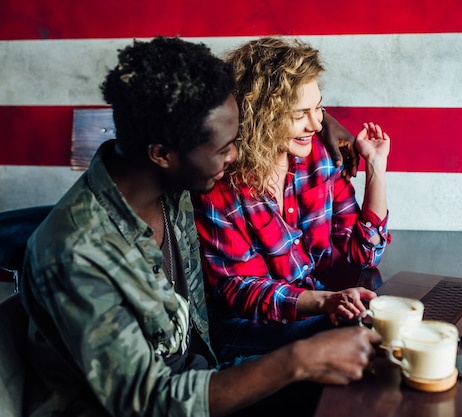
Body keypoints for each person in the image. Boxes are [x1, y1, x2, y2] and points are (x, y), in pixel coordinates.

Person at [19, 36, 381, 417]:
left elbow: (261, 99)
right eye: (223, 148)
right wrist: (299, 360)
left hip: (203, 373)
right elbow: (152, 403)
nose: (236, 153)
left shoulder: (168, 183)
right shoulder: (76, 255)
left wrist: (320, 123)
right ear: (162, 153)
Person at [192, 37, 392, 362]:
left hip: (315, 307)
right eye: (301, 113)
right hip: (245, 327)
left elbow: (364, 254)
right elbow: (240, 291)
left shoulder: (319, 157)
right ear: (261, 115)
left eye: (318, 108)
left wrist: (375, 167)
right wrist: (325, 302)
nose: (316, 124)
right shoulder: (220, 183)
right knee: (369, 339)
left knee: (389, 324)